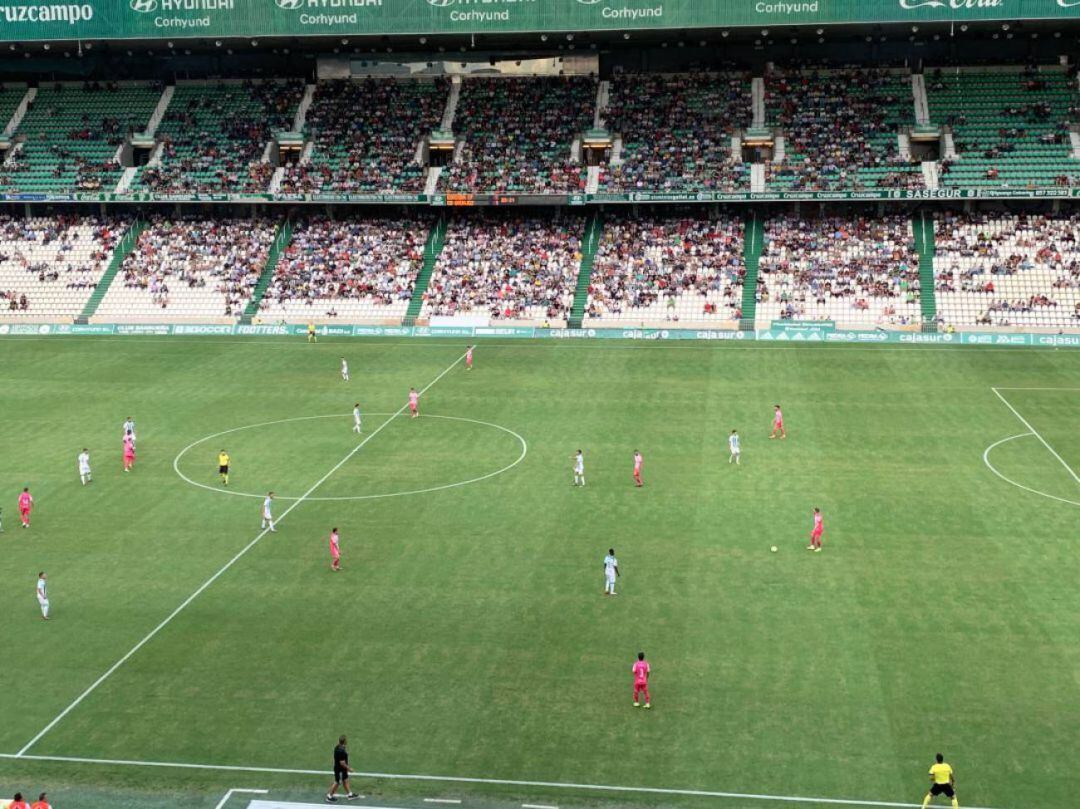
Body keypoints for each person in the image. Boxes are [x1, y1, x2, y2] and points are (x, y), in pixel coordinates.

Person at [326, 734, 358, 802]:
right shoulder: (341, 751)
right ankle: (329, 796)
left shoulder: (337, 747)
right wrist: (349, 769)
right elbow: (342, 763)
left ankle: (350, 794)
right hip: (339, 769)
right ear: (345, 741)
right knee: (337, 782)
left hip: (341, 769)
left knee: (345, 780)